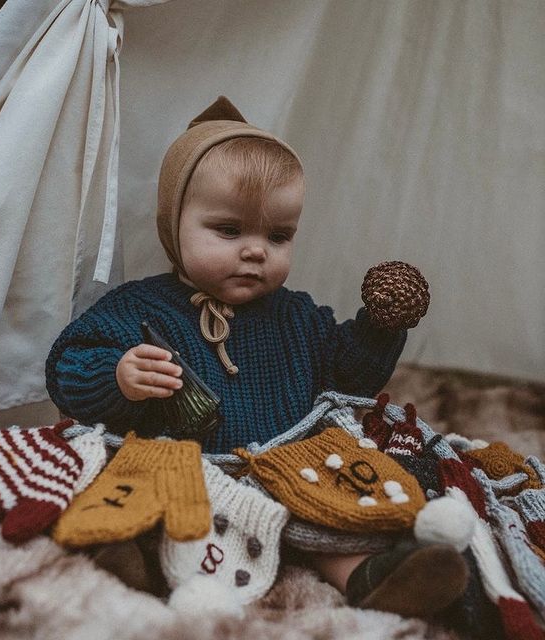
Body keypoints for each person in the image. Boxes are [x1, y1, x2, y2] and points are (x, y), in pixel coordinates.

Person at [45, 96, 468, 618]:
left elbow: (351, 377)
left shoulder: (295, 315)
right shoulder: (136, 307)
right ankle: (130, 560)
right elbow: (68, 368)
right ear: (173, 224)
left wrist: (379, 329)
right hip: (193, 472)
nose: (256, 250)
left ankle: (375, 578)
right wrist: (118, 376)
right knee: (164, 513)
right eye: (229, 231)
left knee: (332, 521)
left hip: (290, 470)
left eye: (278, 235)